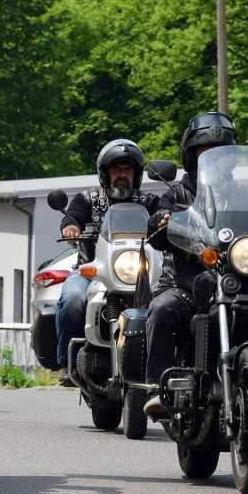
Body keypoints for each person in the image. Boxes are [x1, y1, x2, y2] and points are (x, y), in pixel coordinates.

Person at [142, 111, 248, 423]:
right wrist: (160, 221)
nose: (215, 160)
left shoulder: (245, 193)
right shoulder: (176, 193)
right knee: (163, 307)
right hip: (186, 285)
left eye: (221, 154)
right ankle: (158, 388)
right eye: (206, 153)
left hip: (242, 281)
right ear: (192, 157)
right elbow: (156, 227)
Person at [54, 139, 160, 385]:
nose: (122, 175)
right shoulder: (87, 198)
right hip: (93, 272)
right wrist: (70, 227)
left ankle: (164, 363)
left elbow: (162, 219)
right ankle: (67, 363)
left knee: (168, 304)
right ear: (105, 173)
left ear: (137, 174)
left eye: (128, 170)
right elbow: (73, 217)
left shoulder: (150, 202)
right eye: (116, 169)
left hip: (141, 273)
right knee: (71, 298)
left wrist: (167, 222)